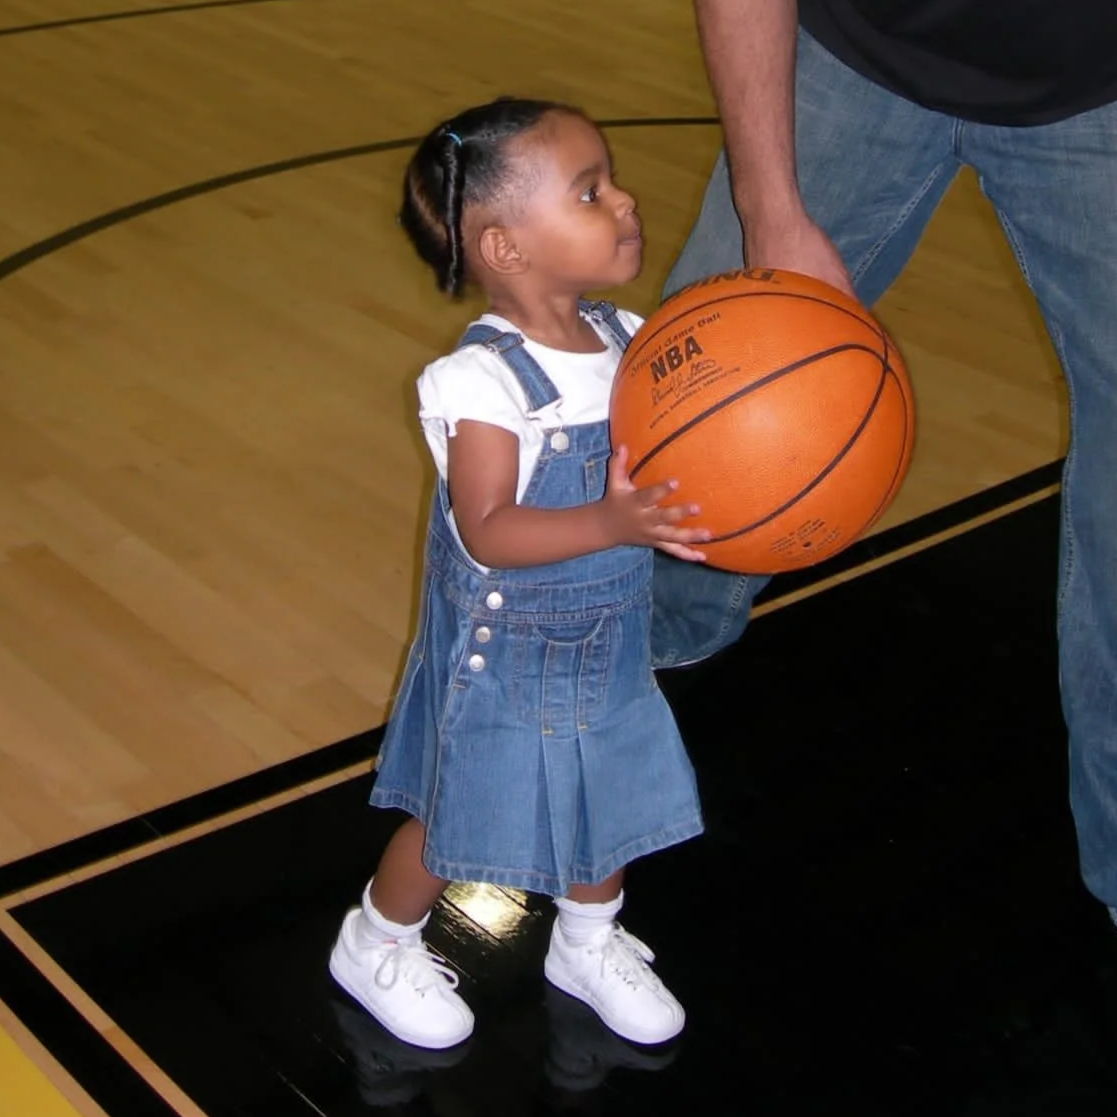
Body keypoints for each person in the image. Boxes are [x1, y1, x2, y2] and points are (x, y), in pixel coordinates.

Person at [651, 0, 1117, 927]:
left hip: (1096, 90)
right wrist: (768, 205)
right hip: (849, 55)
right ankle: (613, 682)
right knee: (693, 418)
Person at [330, 97, 712, 1051]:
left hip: (610, 643)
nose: (623, 201)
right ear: (504, 248)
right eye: (590, 190)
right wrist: (614, 519)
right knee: (456, 814)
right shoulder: (482, 385)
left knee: (609, 800)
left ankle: (586, 939)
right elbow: (490, 528)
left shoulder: (629, 340)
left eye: (610, 177)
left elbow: (652, 475)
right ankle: (376, 937)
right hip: (505, 655)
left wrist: (683, 517)